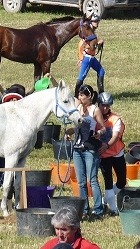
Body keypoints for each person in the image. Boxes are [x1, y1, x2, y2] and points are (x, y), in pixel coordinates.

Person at [68, 84, 106, 220]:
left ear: (89, 96)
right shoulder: (77, 108)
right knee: (81, 181)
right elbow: (75, 127)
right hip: (77, 149)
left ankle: (98, 210)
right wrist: (69, 132)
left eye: (82, 95)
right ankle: (84, 209)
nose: (80, 97)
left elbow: (103, 128)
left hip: (90, 148)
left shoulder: (95, 110)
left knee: (93, 180)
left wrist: (99, 133)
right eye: (79, 95)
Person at [97, 91, 126, 215]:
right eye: (103, 105)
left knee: (121, 182)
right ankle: (114, 210)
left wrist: (107, 145)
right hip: (103, 156)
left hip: (117, 152)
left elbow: (115, 136)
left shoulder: (115, 119)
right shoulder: (95, 118)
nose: (105, 108)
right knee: (108, 181)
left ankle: (104, 200)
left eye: (107, 106)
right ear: (98, 104)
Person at [75, 14, 105, 97]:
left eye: (97, 21)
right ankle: (76, 96)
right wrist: (81, 58)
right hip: (87, 58)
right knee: (81, 77)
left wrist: (98, 44)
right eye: (95, 21)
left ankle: (101, 94)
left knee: (101, 71)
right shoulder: (88, 32)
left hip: (92, 58)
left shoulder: (92, 31)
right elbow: (83, 45)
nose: (97, 23)